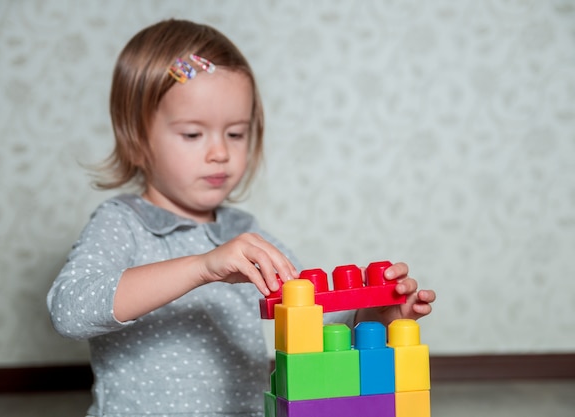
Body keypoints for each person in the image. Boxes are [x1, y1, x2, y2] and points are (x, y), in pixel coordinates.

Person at [47, 19, 436, 417]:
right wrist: (203, 267)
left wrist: (374, 315)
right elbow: (69, 311)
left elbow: (313, 321)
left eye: (235, 133)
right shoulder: (123, 223)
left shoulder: (243, 234)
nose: (220, 152)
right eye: (193, 134)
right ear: (137, 139)